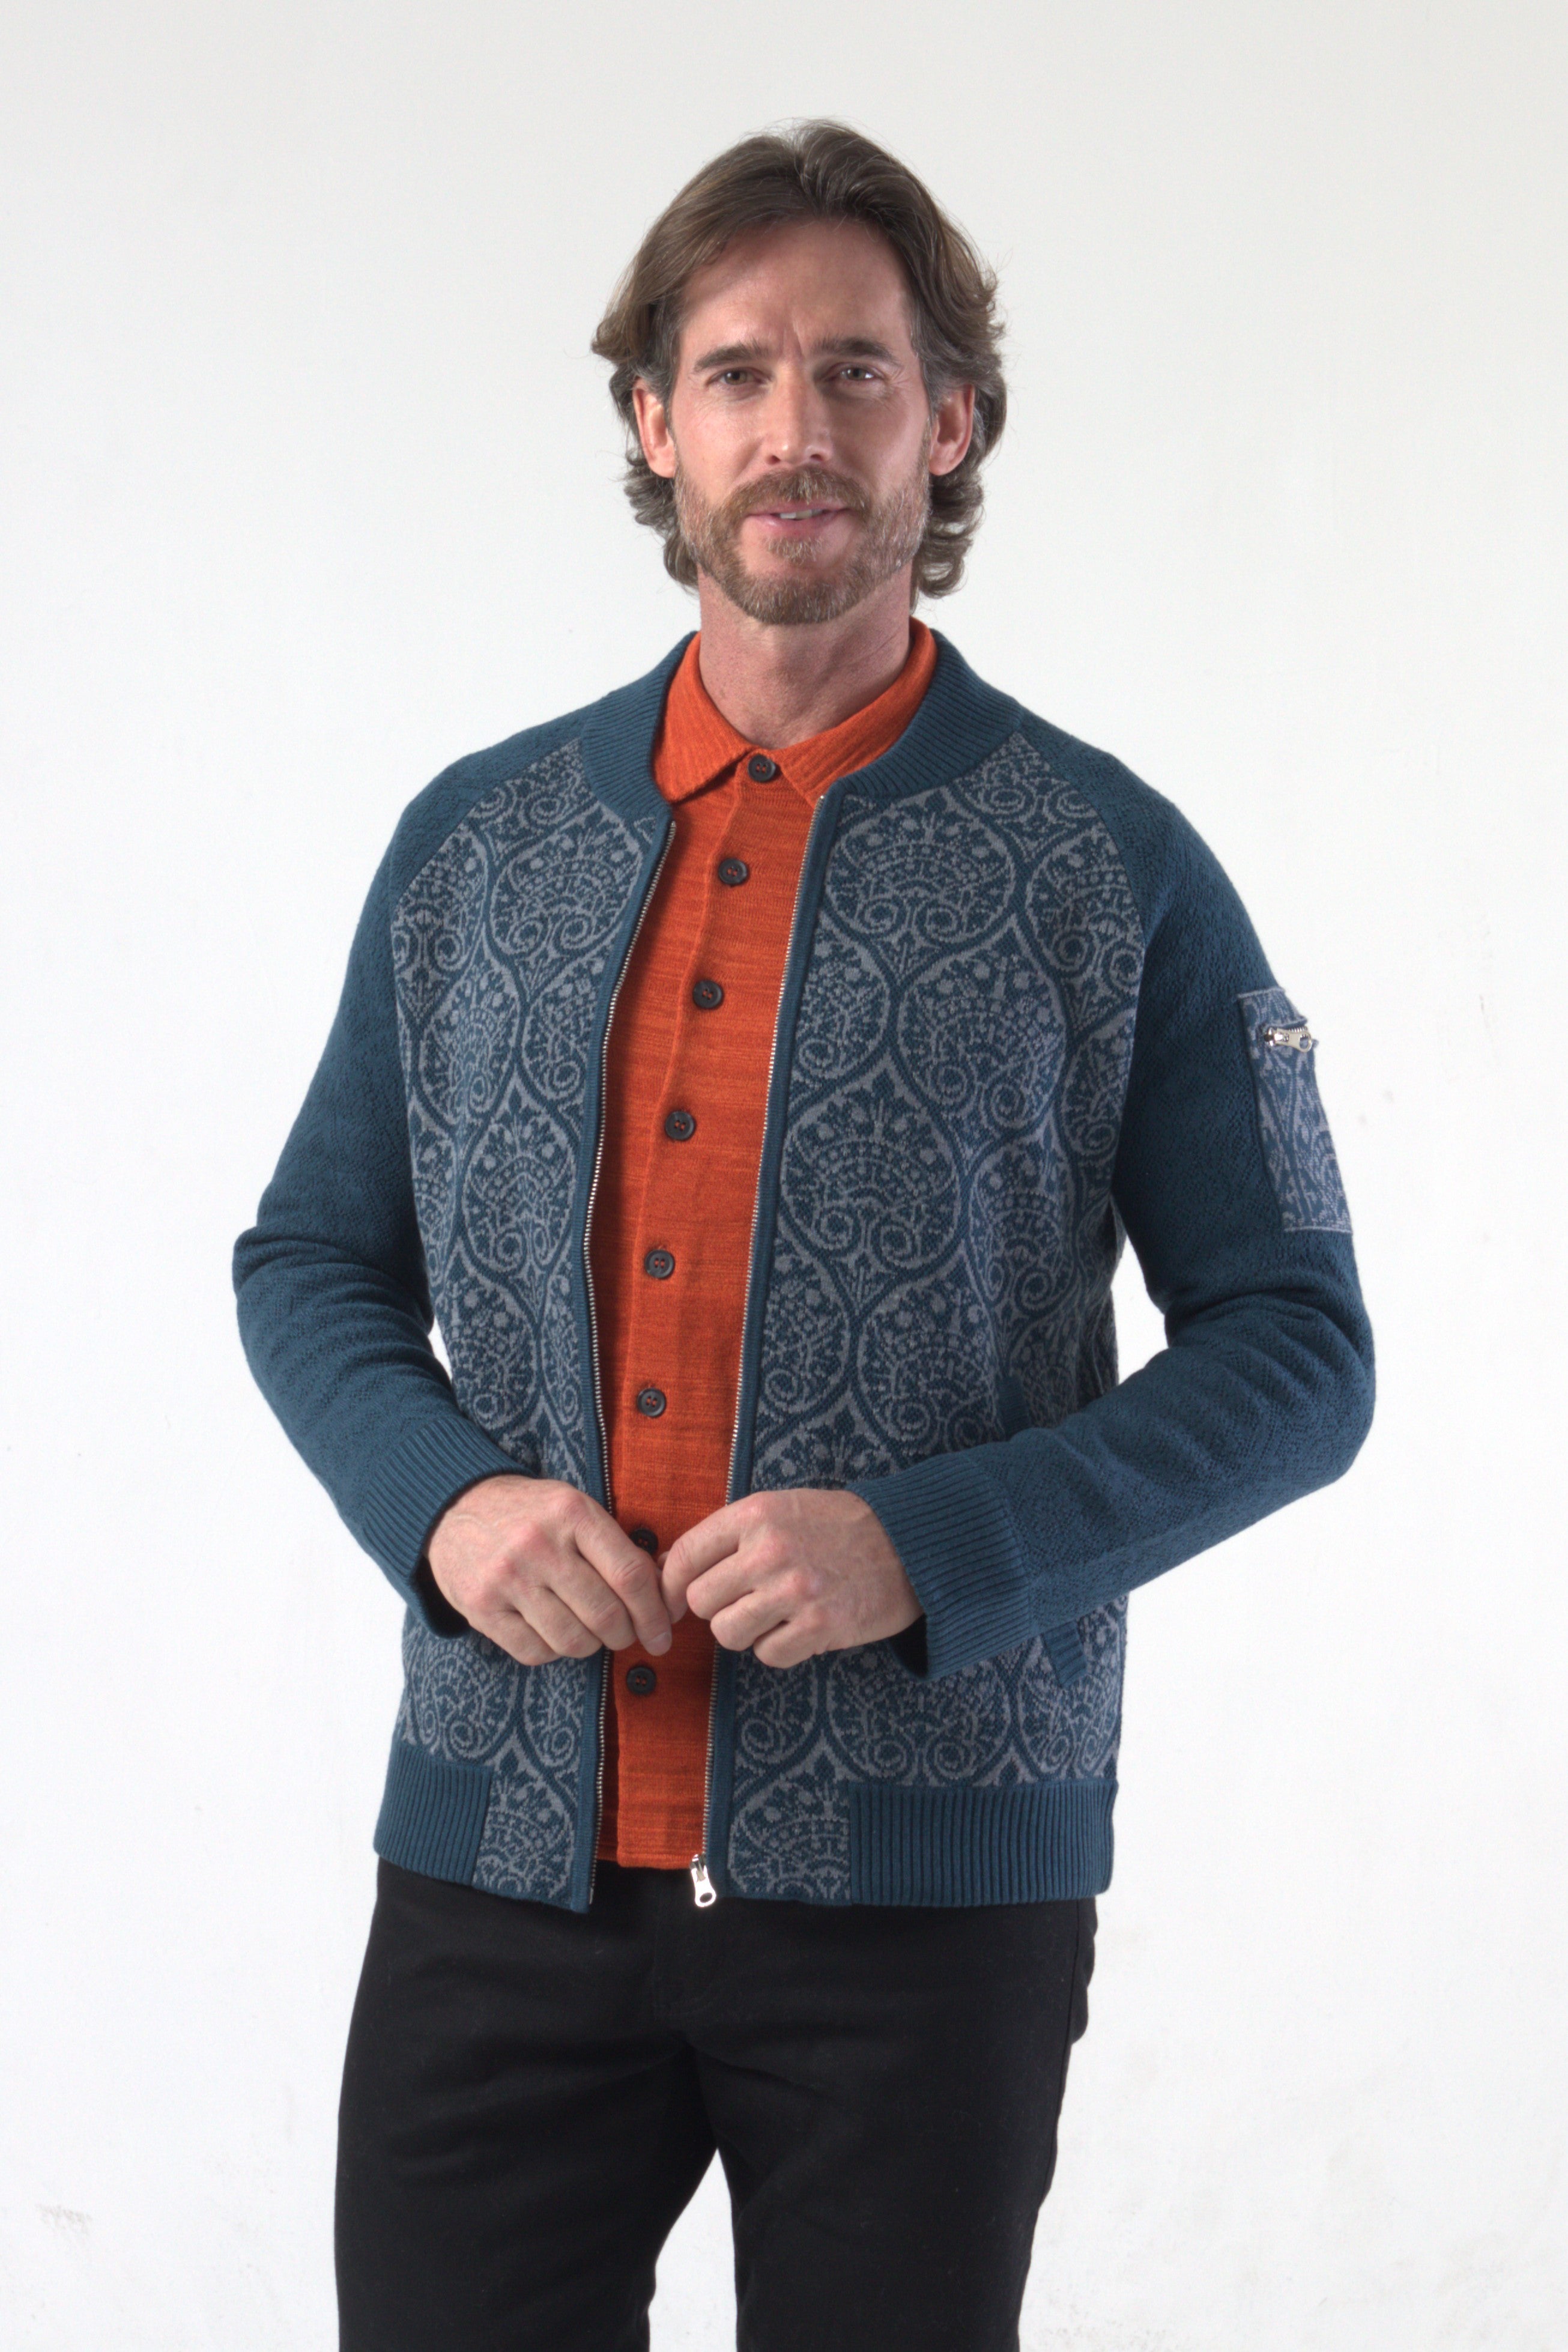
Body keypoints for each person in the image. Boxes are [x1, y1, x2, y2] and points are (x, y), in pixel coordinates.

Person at [234, 120, 1373, 2352]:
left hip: (926, 1915)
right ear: (653, 424)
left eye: (857, 370)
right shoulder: (473, 847)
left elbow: (1298, 1349)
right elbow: (309, 1260)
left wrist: (926, 1546)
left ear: (949, 424)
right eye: (736, 372)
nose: (794, 429)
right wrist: (445, 1504)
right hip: (496, 1870)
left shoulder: (1105, 862)